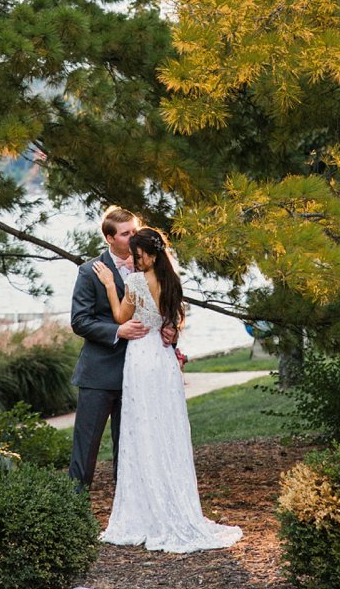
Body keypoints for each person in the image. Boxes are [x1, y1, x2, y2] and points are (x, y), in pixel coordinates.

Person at [92, 226, 243, 553]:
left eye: (138, 254)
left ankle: (148, 512)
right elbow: (173, 322)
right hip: (164, 363)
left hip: (142, 361)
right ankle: (172, 502)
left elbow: (120, 315)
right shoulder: (173, 281)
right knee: (168, 431)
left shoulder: (134, 282)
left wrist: (108, 285)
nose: (134, 259)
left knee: (143, 430)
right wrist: (172, 331)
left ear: (150, 252)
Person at [69, 207, 158, 488]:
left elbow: (164, 307)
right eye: (126, 234)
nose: (134, 238)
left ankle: (127, 517)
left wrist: (170, 330)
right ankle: (74, 513)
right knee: (86, 450)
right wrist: (117, 330)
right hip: (99, 375)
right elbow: (80, 321)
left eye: (135, 230)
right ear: (110, 238)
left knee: (131, 450)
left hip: (138, 373)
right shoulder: (89, 271)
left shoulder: (149, 265)